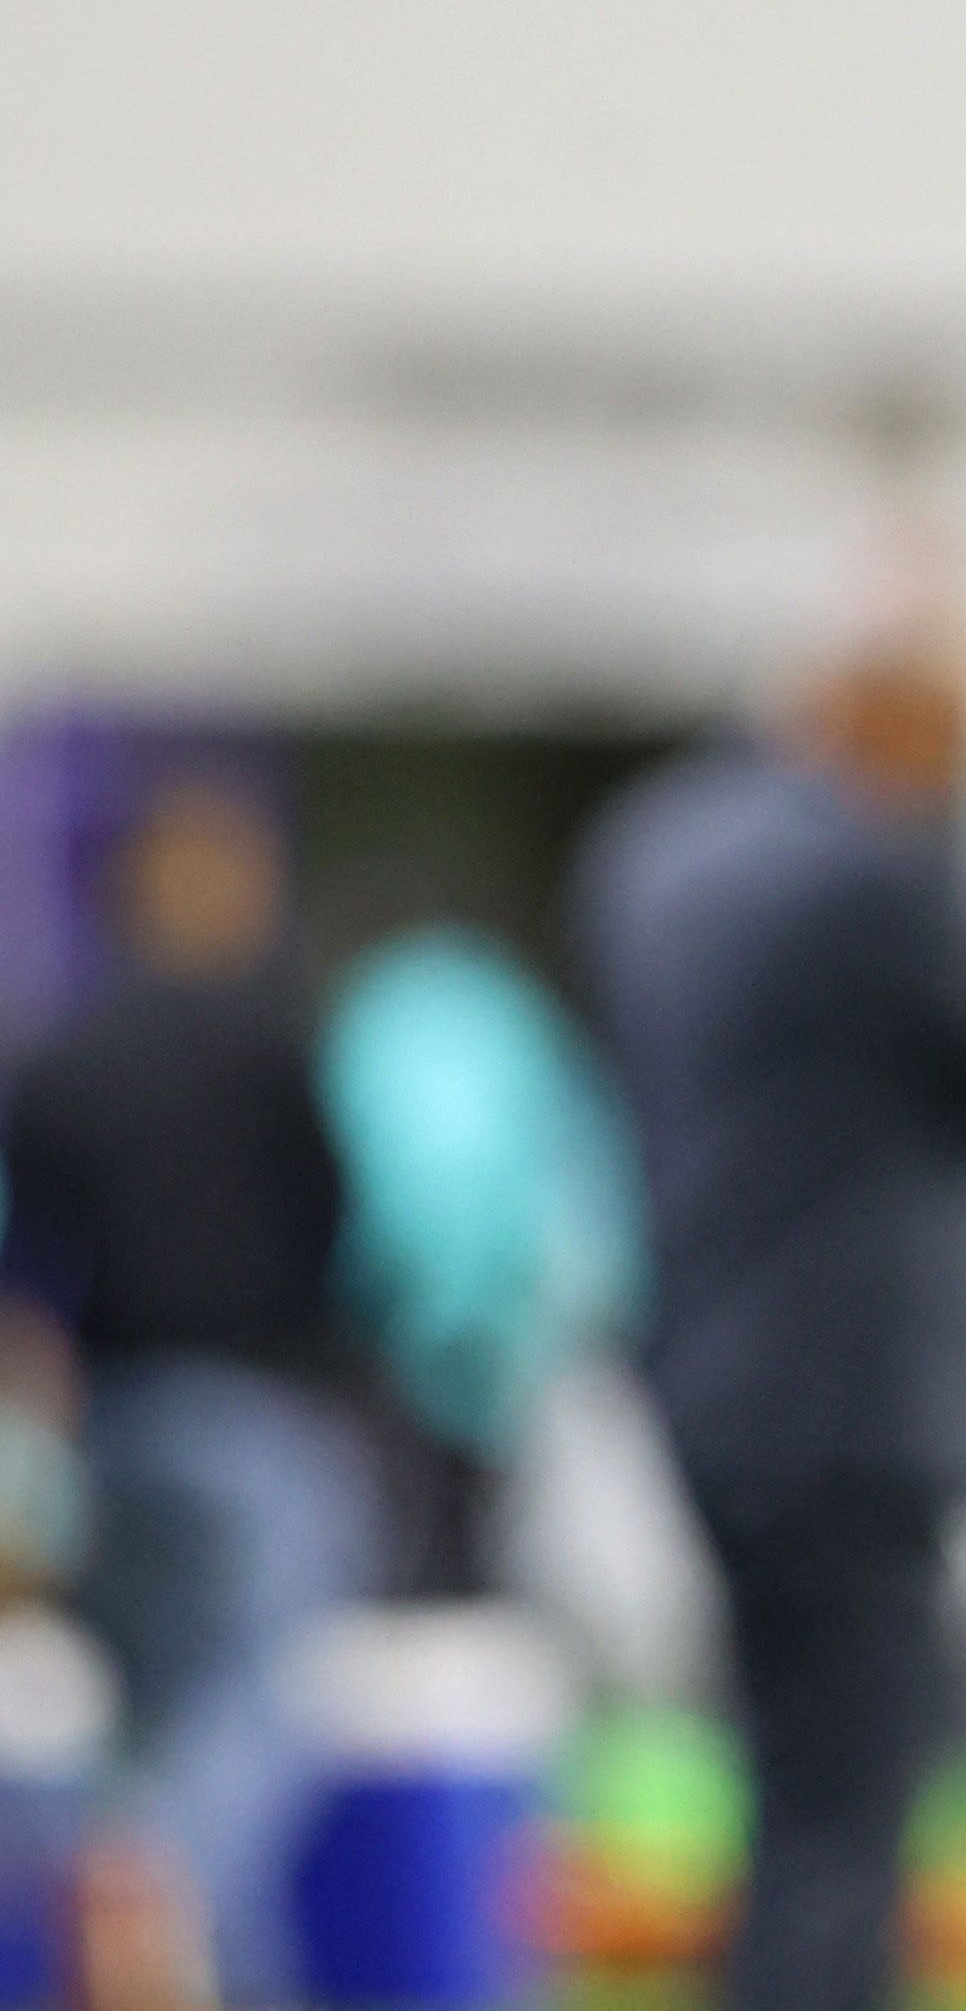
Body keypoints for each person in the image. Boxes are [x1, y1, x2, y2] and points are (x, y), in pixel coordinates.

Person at [574, 642, 966, 2011]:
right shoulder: (867, 875)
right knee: (853, 1798)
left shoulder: (652, 850)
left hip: (710, 1372)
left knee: (790, 1784)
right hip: (849, 1395)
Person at [0, 779, 379, 2008]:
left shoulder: (60, 1055)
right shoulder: (271, 1042)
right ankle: (157, 1886)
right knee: (257, 1700)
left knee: (156, 1710)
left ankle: (192, 1949)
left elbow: (30, 1275)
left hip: (115, 1423)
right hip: (252, 1412)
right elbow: (338, 1223)